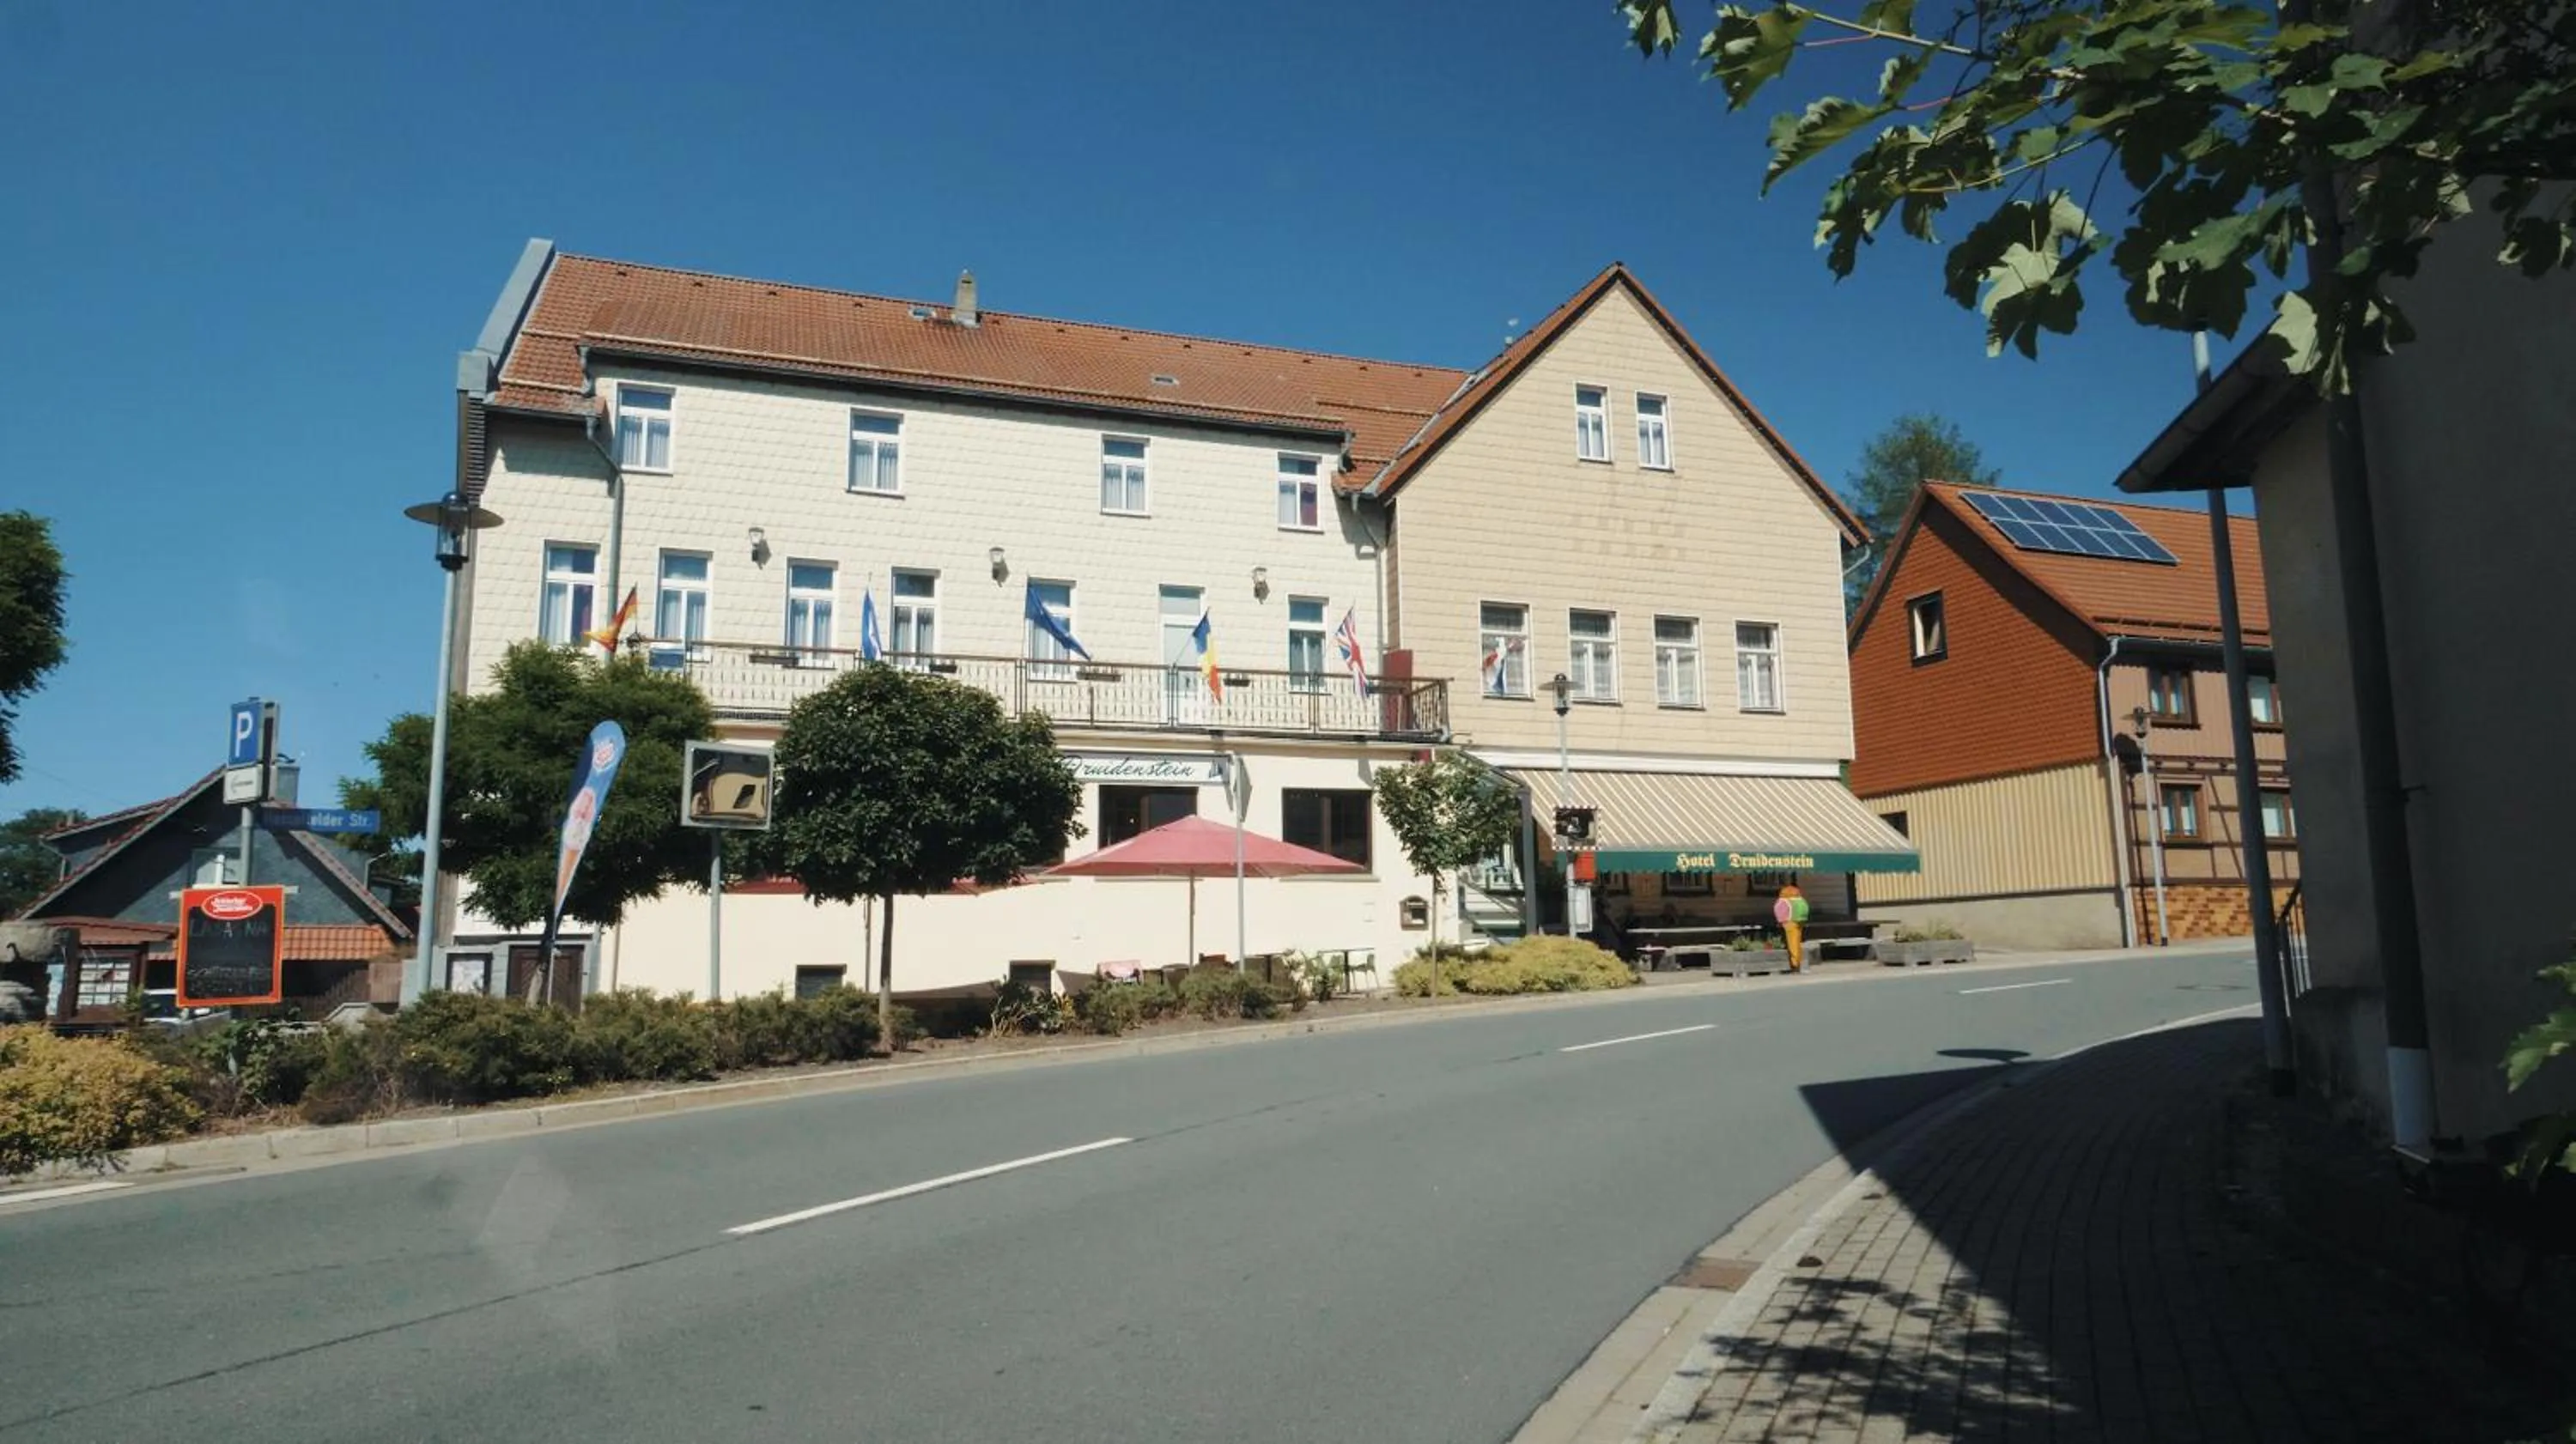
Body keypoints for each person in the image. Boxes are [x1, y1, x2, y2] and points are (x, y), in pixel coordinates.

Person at [1774, 883, 1810, 972]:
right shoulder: (1799, 899)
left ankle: (1795, 964)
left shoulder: (1784, 900)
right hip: (1800, 921)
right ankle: (1798, 961)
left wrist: (1781, 922)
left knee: (1792, 943)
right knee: (1797, 942)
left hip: (1789, 922)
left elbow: (1780, 911)